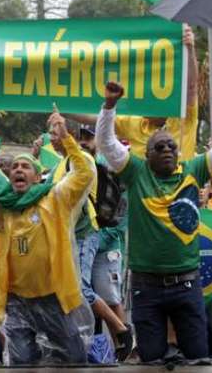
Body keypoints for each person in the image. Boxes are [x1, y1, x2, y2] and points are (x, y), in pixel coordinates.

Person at [95, 78, 212, 362]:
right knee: (152, 358)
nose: (166, 150)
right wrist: (109, 105)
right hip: (146, 287)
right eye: (159, 147)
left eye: (171, 146)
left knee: (198, 357)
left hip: (187, 285)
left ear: (178, 152)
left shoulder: (194, 170)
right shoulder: (136, 172)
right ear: (146, 155)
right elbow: (105, 142)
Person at [0, 109, 93, 364]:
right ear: (10, 177)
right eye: (15, 167)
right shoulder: (0, 208)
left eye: (25, 166)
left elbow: (84, 173)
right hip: (16, 301)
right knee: (22, 363)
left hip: (52, 297)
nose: (19, 169)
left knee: (74, 359)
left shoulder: (55, 198)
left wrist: (66, 139)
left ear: (37, 176)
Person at [67, 24, 199, 160]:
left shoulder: (182, 118)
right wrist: (57, 104)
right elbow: (93, 117)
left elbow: (191, 87)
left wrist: (189, 49)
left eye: (153, 99)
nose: (145, 106)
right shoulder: (135, 122)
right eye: (143, 100)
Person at [56, 124, 132, 360]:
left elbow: (120, 218)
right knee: (84, 294)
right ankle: (99, 350)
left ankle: (123, 346)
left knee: (109, 296)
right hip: (83, 241)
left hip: (105, 245)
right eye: (80, 137)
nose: (83, 142)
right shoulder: (71, 166)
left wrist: (95, 238)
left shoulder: (112, 172)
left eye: (89, 137)